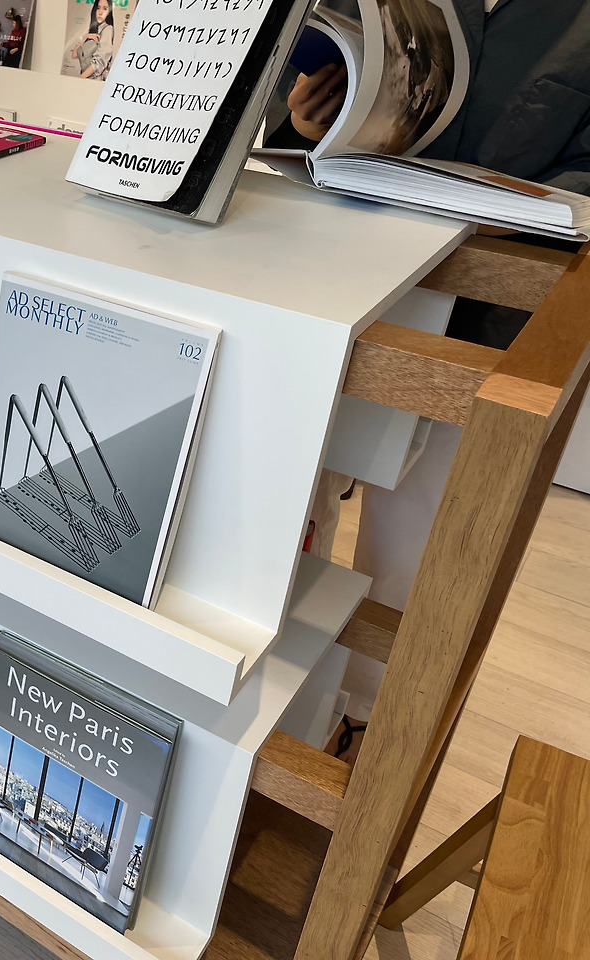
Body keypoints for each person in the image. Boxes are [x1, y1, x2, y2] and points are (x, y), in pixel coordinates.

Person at [290, 0, 590, 760]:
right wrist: (310, 120)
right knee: (297, 501)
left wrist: (509, 205)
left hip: (490, 310)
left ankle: (360, 727)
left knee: (415, 543)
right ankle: (283, 704)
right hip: (337, 282)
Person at [71, 0, 116, 80]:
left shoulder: (108, 29)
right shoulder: (94, 30)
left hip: (94, 80)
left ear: (108, 12)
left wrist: (79, 78)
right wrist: (85, 38)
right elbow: (74, 54)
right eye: (98, 8)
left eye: (105, 9)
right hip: (85, 78)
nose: (100, 12)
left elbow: (99, 61)